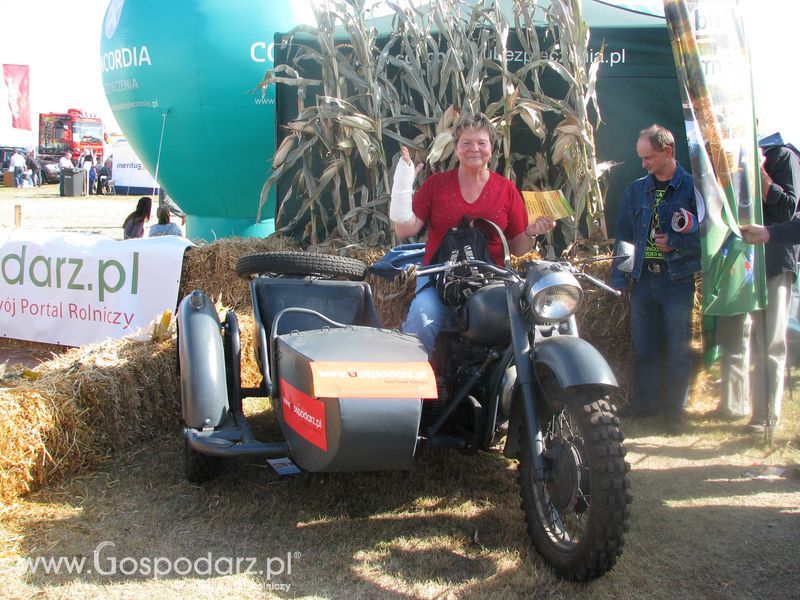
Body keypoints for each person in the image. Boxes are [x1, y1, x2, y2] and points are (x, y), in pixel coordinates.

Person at [390, 112, 555, 354]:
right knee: (421, 320)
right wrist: (403, 187)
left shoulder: (506, 189)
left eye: (481, 143)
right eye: (466, 142)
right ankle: (408, 389)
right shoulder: (436, 184)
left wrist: (531, 233)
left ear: (492, 148)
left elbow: (518, 248)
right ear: (455, 147)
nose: (474, 149)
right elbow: (404, 229)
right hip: (439, 280)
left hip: (491, 282)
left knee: (518, 329)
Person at [610, 124, 701, 430]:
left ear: (668, 152)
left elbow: (709, 237)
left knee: (678, 348)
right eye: (641, 158)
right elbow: (623, 237)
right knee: (644, 347)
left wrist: (676, 243)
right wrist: (620, 279)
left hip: (677, 279)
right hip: (644, 279)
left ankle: (675, 411)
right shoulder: (635, 190)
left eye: (648, 157)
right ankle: (646, 404)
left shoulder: (692, 188)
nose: (644, 164)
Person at [715, 133, 800, 433]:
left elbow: (789, 209)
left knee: (769, 341)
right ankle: (733, 403)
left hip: (774, 262)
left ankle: (765, 417)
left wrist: (760, 172)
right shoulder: (727, 157)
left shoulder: (782, 156)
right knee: (735, 334)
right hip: (740, 262)